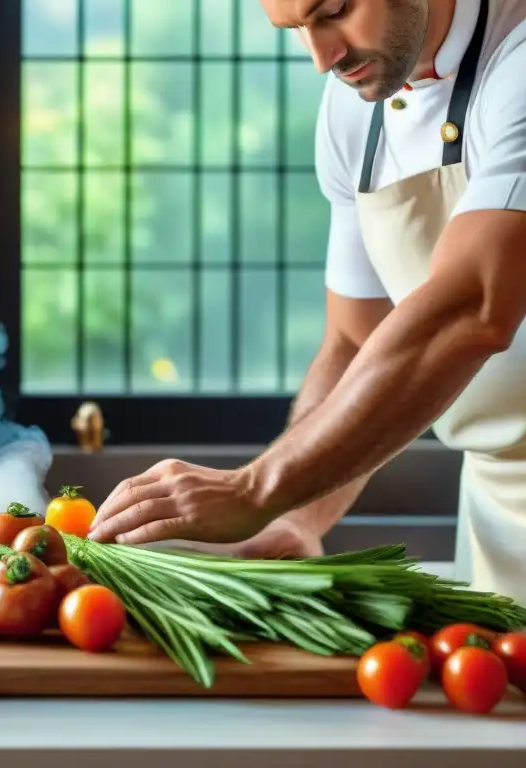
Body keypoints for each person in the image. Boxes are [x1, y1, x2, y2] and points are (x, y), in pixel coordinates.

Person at [88, 0, 526, 603]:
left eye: (334, 11)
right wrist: (298, 517)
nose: (323, 57)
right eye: (296, 30)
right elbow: (353, 341)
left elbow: (475, 307)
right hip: (495, 523)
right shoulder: (354, 107)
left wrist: (254, 491)